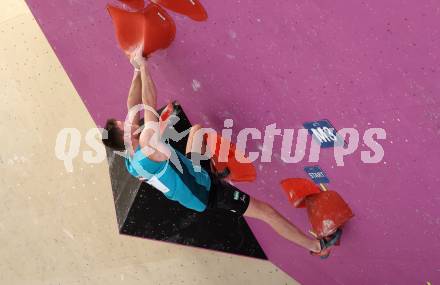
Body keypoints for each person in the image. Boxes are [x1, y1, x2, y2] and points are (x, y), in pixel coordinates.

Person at [102, 47, 340, 258]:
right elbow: (148, 101)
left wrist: (134, 69)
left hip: (193, 171)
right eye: (124, 124)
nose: (128, 120)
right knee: (267, 212)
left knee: (196, 132)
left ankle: (215, 169)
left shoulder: (131, 157)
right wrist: (144, 67)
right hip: (203, 193)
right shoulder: (145, 143)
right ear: (125, 136)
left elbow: (133, 105)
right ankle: (318, 246)